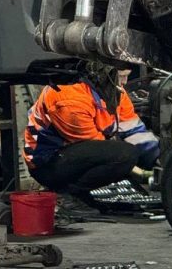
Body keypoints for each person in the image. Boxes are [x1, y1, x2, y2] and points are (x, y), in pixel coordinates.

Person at [22, 61, 160, 200]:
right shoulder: (69, 98)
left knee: (128, 154)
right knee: (125, 155)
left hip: (74, 153)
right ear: (103, 74)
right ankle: (72, 197)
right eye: (121, 76)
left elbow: (133, 129)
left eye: (127, 76)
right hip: (47, 164)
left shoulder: (114, 91)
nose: (124, 82)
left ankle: (79, 192)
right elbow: (97, 148)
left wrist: (158, 159)